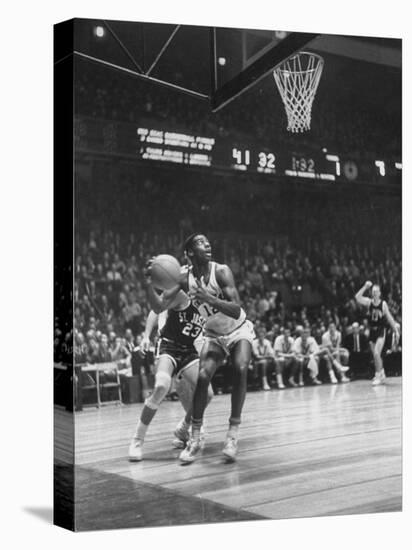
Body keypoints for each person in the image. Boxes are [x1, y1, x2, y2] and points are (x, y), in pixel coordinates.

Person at [179, 234, 255, 463]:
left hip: (238, 329)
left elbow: (237, 309)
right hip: (213, 334)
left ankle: (232, 435)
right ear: (190, 252)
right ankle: (194, 437)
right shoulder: (185, 278)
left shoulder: (221, 271)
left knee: (240, 368)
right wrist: (152, 273)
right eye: (201, 243)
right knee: (203, 376)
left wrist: (209, 299)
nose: (208, 244)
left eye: (208, 242)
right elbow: (163, 286)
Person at [128, 272, 212, 462]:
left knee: (207, 393)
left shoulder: (208, 306)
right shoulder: (182, 296)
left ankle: (183, 428)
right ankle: (137, 440)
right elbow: (155, 309)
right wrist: (146, 336)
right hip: (169, 345)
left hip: (189, 349)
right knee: (161, 386)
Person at [355, 281, 400, 385]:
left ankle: (378, 375)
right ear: (371, 293)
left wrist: (396, 331)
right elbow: (357, 297)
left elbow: (389, 318)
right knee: (376, 356)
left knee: (376, 353)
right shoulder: (369, 302)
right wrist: (365, 287)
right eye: (373, 291)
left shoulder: (383, 304)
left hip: (380, 330)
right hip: (372, 331)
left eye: (377, 291)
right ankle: (381, 372)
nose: (375, 293)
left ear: (379, 293)